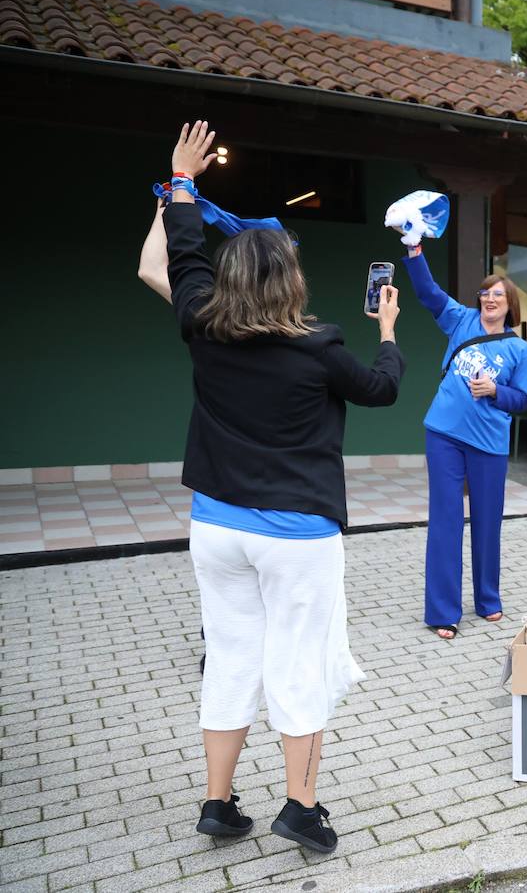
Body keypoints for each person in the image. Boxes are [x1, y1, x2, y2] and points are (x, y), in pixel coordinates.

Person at [161, 121, 404, 855]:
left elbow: (184, 253)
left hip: (217, 531)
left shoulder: (201, 326)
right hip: (296, 538)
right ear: (292, 283)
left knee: (231, 658)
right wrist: (388, 329)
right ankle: (300, 809)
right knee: (297, 666)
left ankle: (216, 804)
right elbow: (383, 389)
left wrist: (180, 183)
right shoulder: (321, 349)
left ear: (230, 282)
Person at [402, 248, 527, 640]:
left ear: (510, 306)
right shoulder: (460, 320)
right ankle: (443, 612)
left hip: (489, 444)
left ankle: (488, 599)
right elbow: (427, 291)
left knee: (488, 523)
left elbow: (523, 399)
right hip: (444, 434)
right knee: (445, 520)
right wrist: (415, 250)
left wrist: (495, 390)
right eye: (485, 293)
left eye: (498, 295)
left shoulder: (517, 348)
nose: (489, 299)